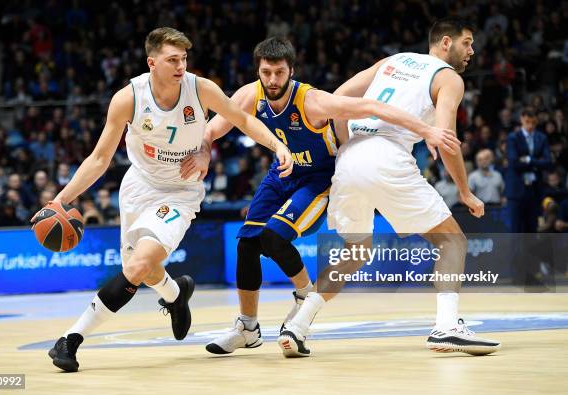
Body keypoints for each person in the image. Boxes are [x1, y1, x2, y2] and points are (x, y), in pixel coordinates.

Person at [34, 27, 293, 373]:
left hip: (181, 192)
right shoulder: (129, 98)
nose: (181, 66)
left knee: (138, 266)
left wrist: (277, 145)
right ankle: (175, 294)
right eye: (173, 60)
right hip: (139, 187)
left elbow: (242, 120)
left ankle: (70, 340)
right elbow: (99, 159)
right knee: (143, 268)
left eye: (184, 58)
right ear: (152, 63)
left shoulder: (200, 89)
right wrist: (60, 201)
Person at [180, 37, 458, 355]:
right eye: (266, 72)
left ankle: (304, 293)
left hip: (317, 179)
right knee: (246, 244)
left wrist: (427, 130)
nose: (272, 80)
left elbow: (371, 106)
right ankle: (247, 327)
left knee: (272, 238)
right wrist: (203, 151)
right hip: (280, 174)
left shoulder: (311, 101)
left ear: (291, 71)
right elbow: (212, 129)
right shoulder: (249, 94)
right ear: (258, 70)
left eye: (279, 73)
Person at [278, 19, 501, 357]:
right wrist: (465, 192)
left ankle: (296, 325)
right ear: (445, 43)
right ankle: (447, 327)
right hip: (388, 157)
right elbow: (447, 142)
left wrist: (346, 144)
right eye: (467, 43)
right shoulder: (448, 78)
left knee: (356, 252)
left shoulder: (393, 61)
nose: (472, 51)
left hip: (351, 158)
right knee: (452, 241)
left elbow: (336, 99)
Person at [505, 109, 552, 232]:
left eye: (533, 122)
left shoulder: (542, 138)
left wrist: (528, 160)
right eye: (527, 122)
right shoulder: (513, 137)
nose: (530, 126)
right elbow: (514, 162)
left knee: (532, 229)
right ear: (521, 120)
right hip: (516, 190)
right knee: (515, 230)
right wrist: (537, 162)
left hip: (535, 189)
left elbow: (548, 162)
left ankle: (531, 252)